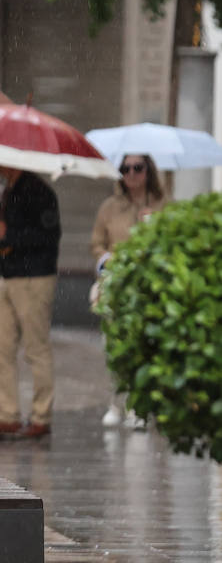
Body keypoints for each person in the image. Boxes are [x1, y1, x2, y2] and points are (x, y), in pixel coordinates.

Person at [91, 153, 169, 427]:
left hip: (149, 287)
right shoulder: (110, 207)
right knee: (115, 345)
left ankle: (140, 406)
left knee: (144, 345)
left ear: (149, 170)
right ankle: (117, 402)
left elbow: (170, 243)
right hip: (117, 285)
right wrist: (106, 259)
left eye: (138, 168)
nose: (132, 174)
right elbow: (97, 244)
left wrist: (155, 223)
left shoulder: (162, 204)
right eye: (126, 169)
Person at [0, 165, 61, 439]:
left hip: (33, 278)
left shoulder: (39, 192)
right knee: (0, 346)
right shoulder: (8, 189)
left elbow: (47, 236)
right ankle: (7, 414)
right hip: (8, 276)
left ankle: (41, 415)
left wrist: (8, 235)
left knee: (35, 346)